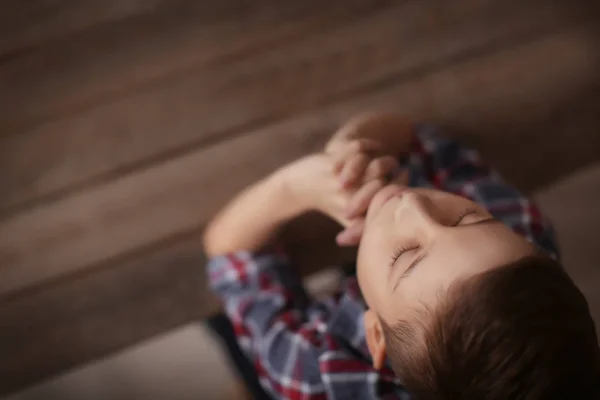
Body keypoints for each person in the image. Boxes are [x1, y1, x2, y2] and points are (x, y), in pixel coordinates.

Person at [204, 113, 600, 399]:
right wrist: (355, 145)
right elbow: (420, 138)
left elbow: (229, 253)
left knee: (222, 323)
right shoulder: (517, 231)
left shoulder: (318, 373)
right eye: (465, 218)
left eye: (407, 254)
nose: (410, 204)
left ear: (375, 333)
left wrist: (292, 190)